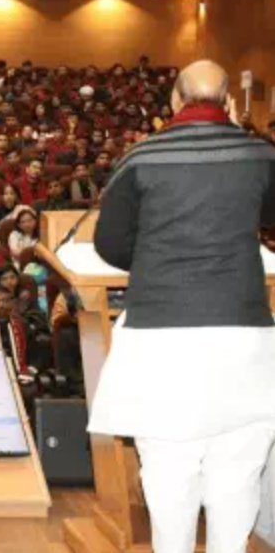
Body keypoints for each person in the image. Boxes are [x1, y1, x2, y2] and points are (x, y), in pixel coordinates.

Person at [90, 60, 275, 553]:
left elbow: (110, 243)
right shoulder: (259, 154)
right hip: (243, 333)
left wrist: (157, 261)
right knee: (238, 470)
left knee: (169, 471)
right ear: (229, 102)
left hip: (160, 333)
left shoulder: (141, 157)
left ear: (174, 100)